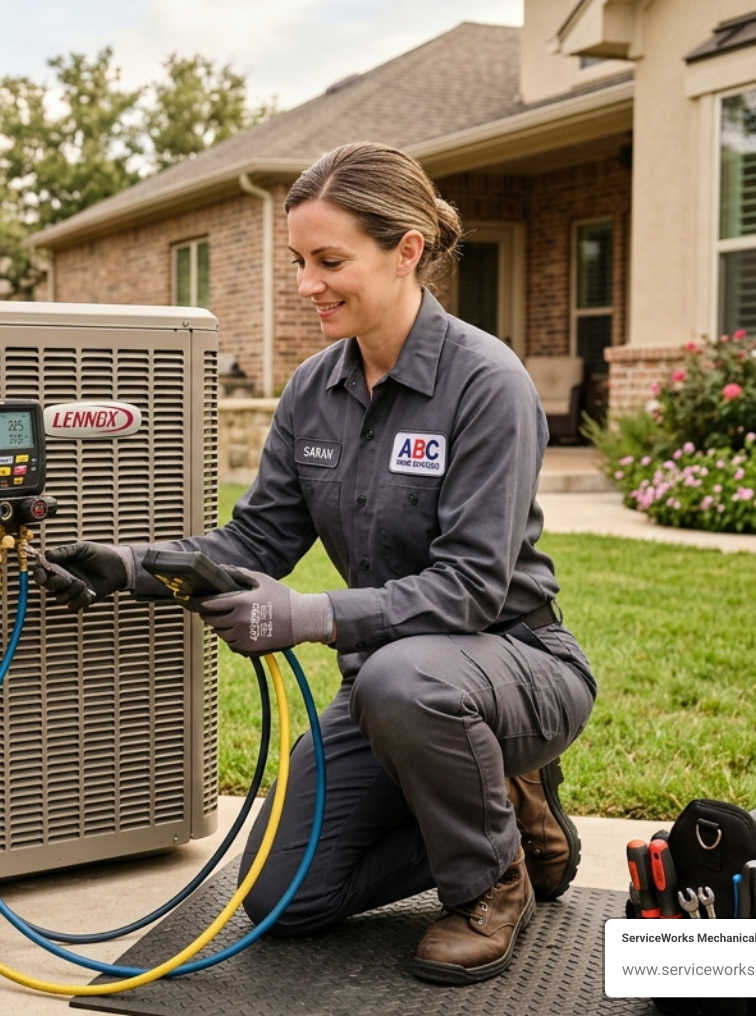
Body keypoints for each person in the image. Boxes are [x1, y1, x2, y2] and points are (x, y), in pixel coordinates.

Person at [33, 142, 596, 985]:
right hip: (388, 690)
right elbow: (254, 543)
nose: (306, 285)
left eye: (330, 261)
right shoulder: (313, 391)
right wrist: (129, 567)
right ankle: (509, 816)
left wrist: (311, 616)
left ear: (406, 250)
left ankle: (487, 884)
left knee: (405, 682)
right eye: (300, 261)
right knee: (283, 898)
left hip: (513, 668)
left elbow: (473, 589)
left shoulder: (487, 384)